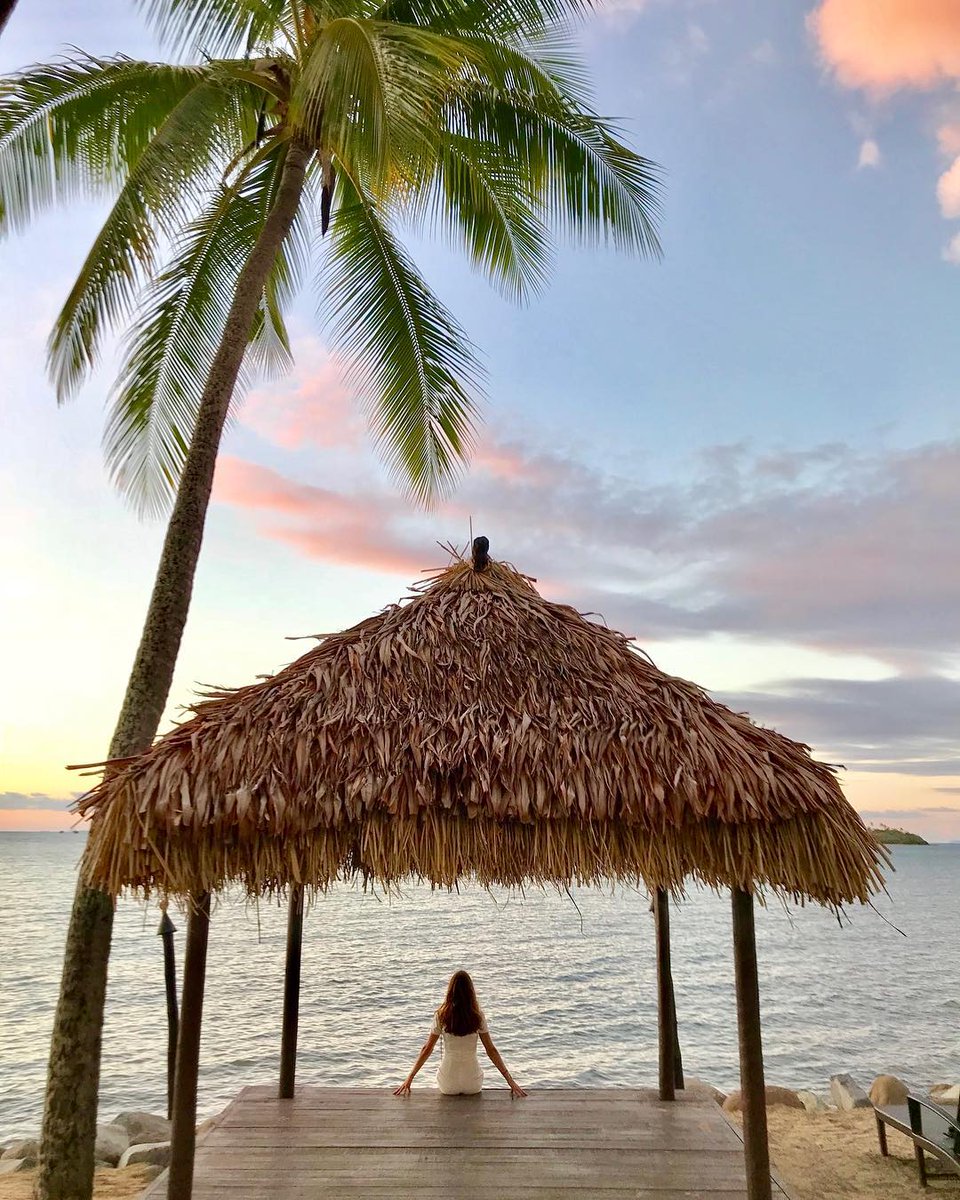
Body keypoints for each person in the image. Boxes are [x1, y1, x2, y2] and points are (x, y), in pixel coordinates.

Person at [394, 970, 527, 1098]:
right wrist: (511, 1082)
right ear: (471, 992)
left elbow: (427, 1049)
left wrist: (409, 1078)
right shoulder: (478, 1016)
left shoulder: (441, 1015)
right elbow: (491, 1050)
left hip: (448, 1085)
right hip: (473, 1085)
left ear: (450, 991)